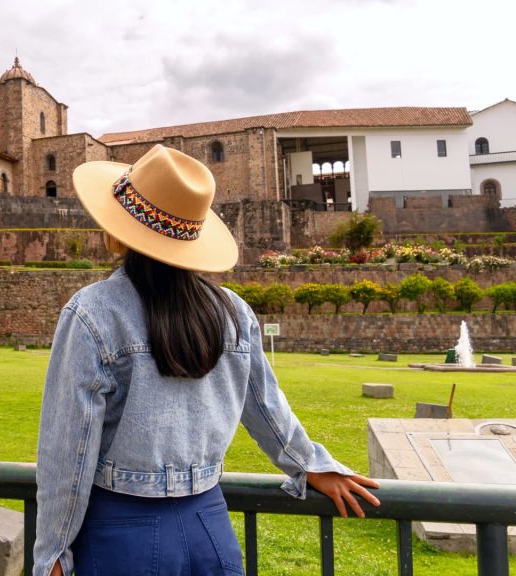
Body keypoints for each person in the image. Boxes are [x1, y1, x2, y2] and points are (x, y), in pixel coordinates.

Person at [34, 145, 380, 576]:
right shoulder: (233, 311)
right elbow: (266, 408)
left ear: (118, 228)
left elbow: (69, 449)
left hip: (121, 531)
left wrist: (52, 551)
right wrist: (309, 463)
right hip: (210, 527)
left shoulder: (93, 312)